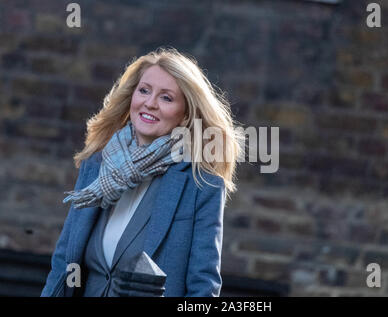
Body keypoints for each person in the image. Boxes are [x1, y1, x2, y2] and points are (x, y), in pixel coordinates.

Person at [40, 47, 242, 297]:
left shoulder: (202, 186)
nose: (150, 103)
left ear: (185, 115)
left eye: (166, 98)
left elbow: (203, 286)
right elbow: (63, 264)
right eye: (144, 91)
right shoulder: (96, 166)